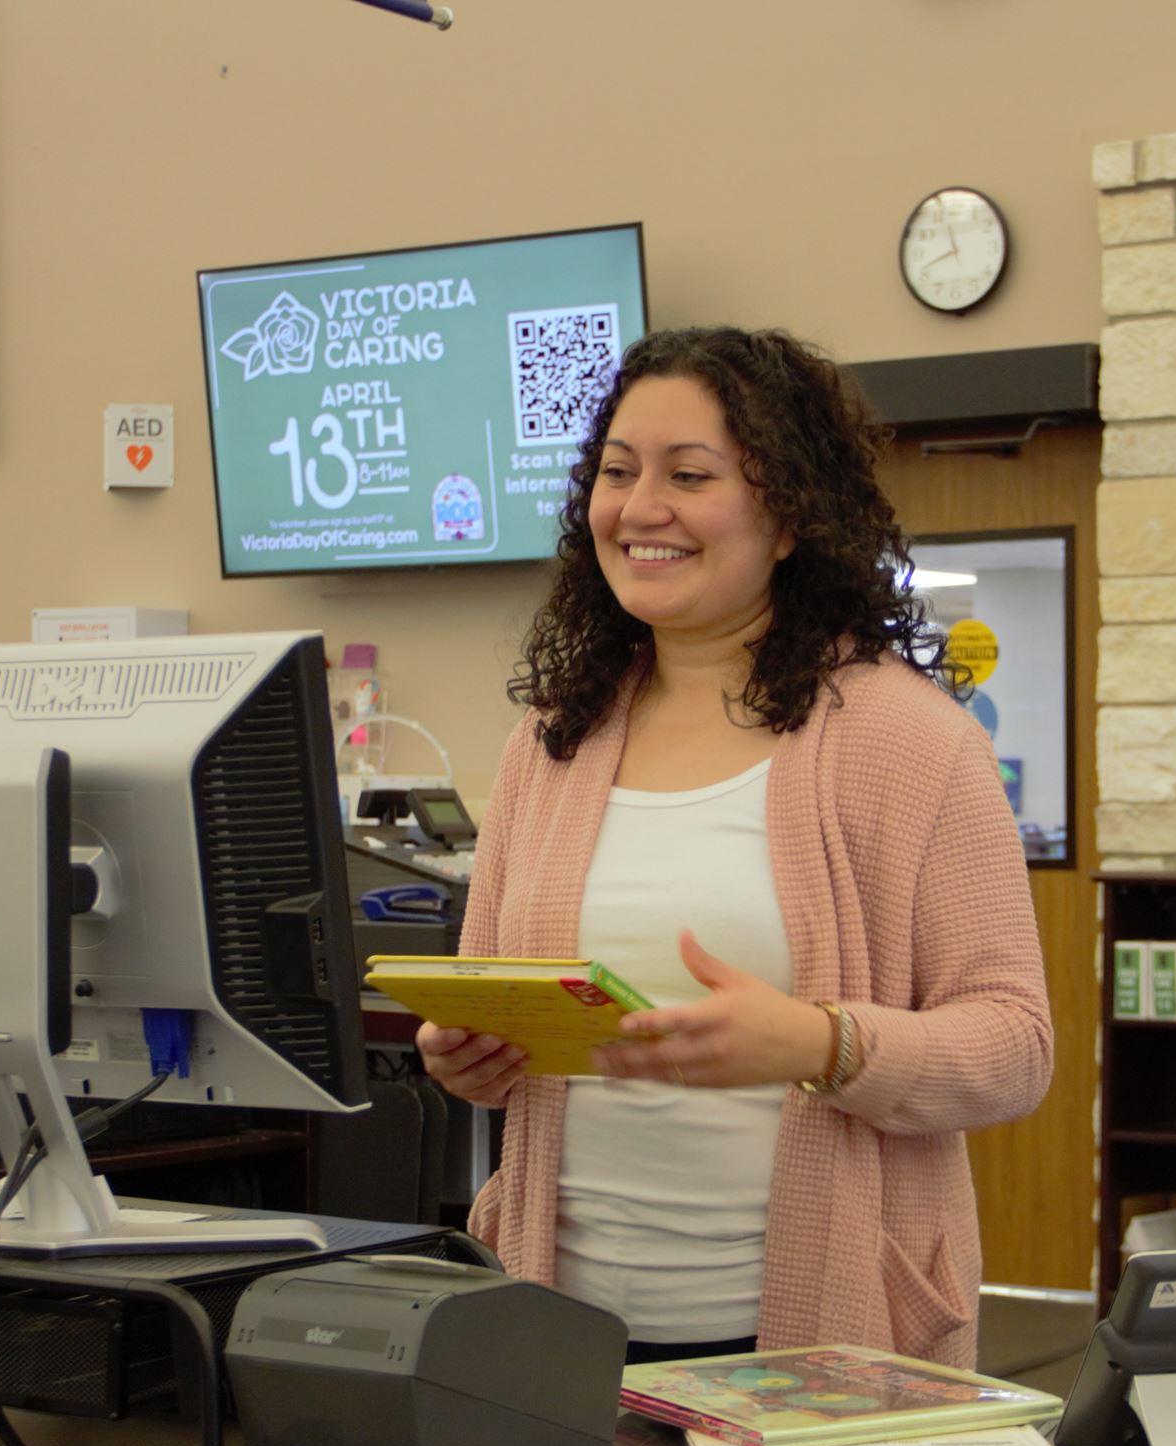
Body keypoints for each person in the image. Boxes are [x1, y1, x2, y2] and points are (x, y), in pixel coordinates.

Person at [416, 326, 1050, 1370]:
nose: (640, 507)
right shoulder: (551, 742)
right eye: (616, 473)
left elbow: (1014, 1047)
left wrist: (821, 1044)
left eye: (689, 474)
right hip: (555, 1327)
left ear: (789, 512)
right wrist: (469, 1054)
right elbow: (497, 998)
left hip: (812, 1330)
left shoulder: (908, 740)